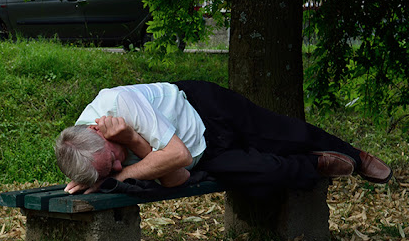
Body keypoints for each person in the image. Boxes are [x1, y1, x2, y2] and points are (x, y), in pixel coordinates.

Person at [55, 80, 392, 196]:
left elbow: (177, 157)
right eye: (109, 169)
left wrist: (124, 171)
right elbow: (179, 175)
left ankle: (354, 156)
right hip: (203, 155)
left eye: (113, 157)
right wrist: (132, 146)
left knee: (282, 133)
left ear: (97, 129)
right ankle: (316, 162)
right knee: (265, 173)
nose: (116, 165)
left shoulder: (117, 102)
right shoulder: (91, 155)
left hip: (205, 109)